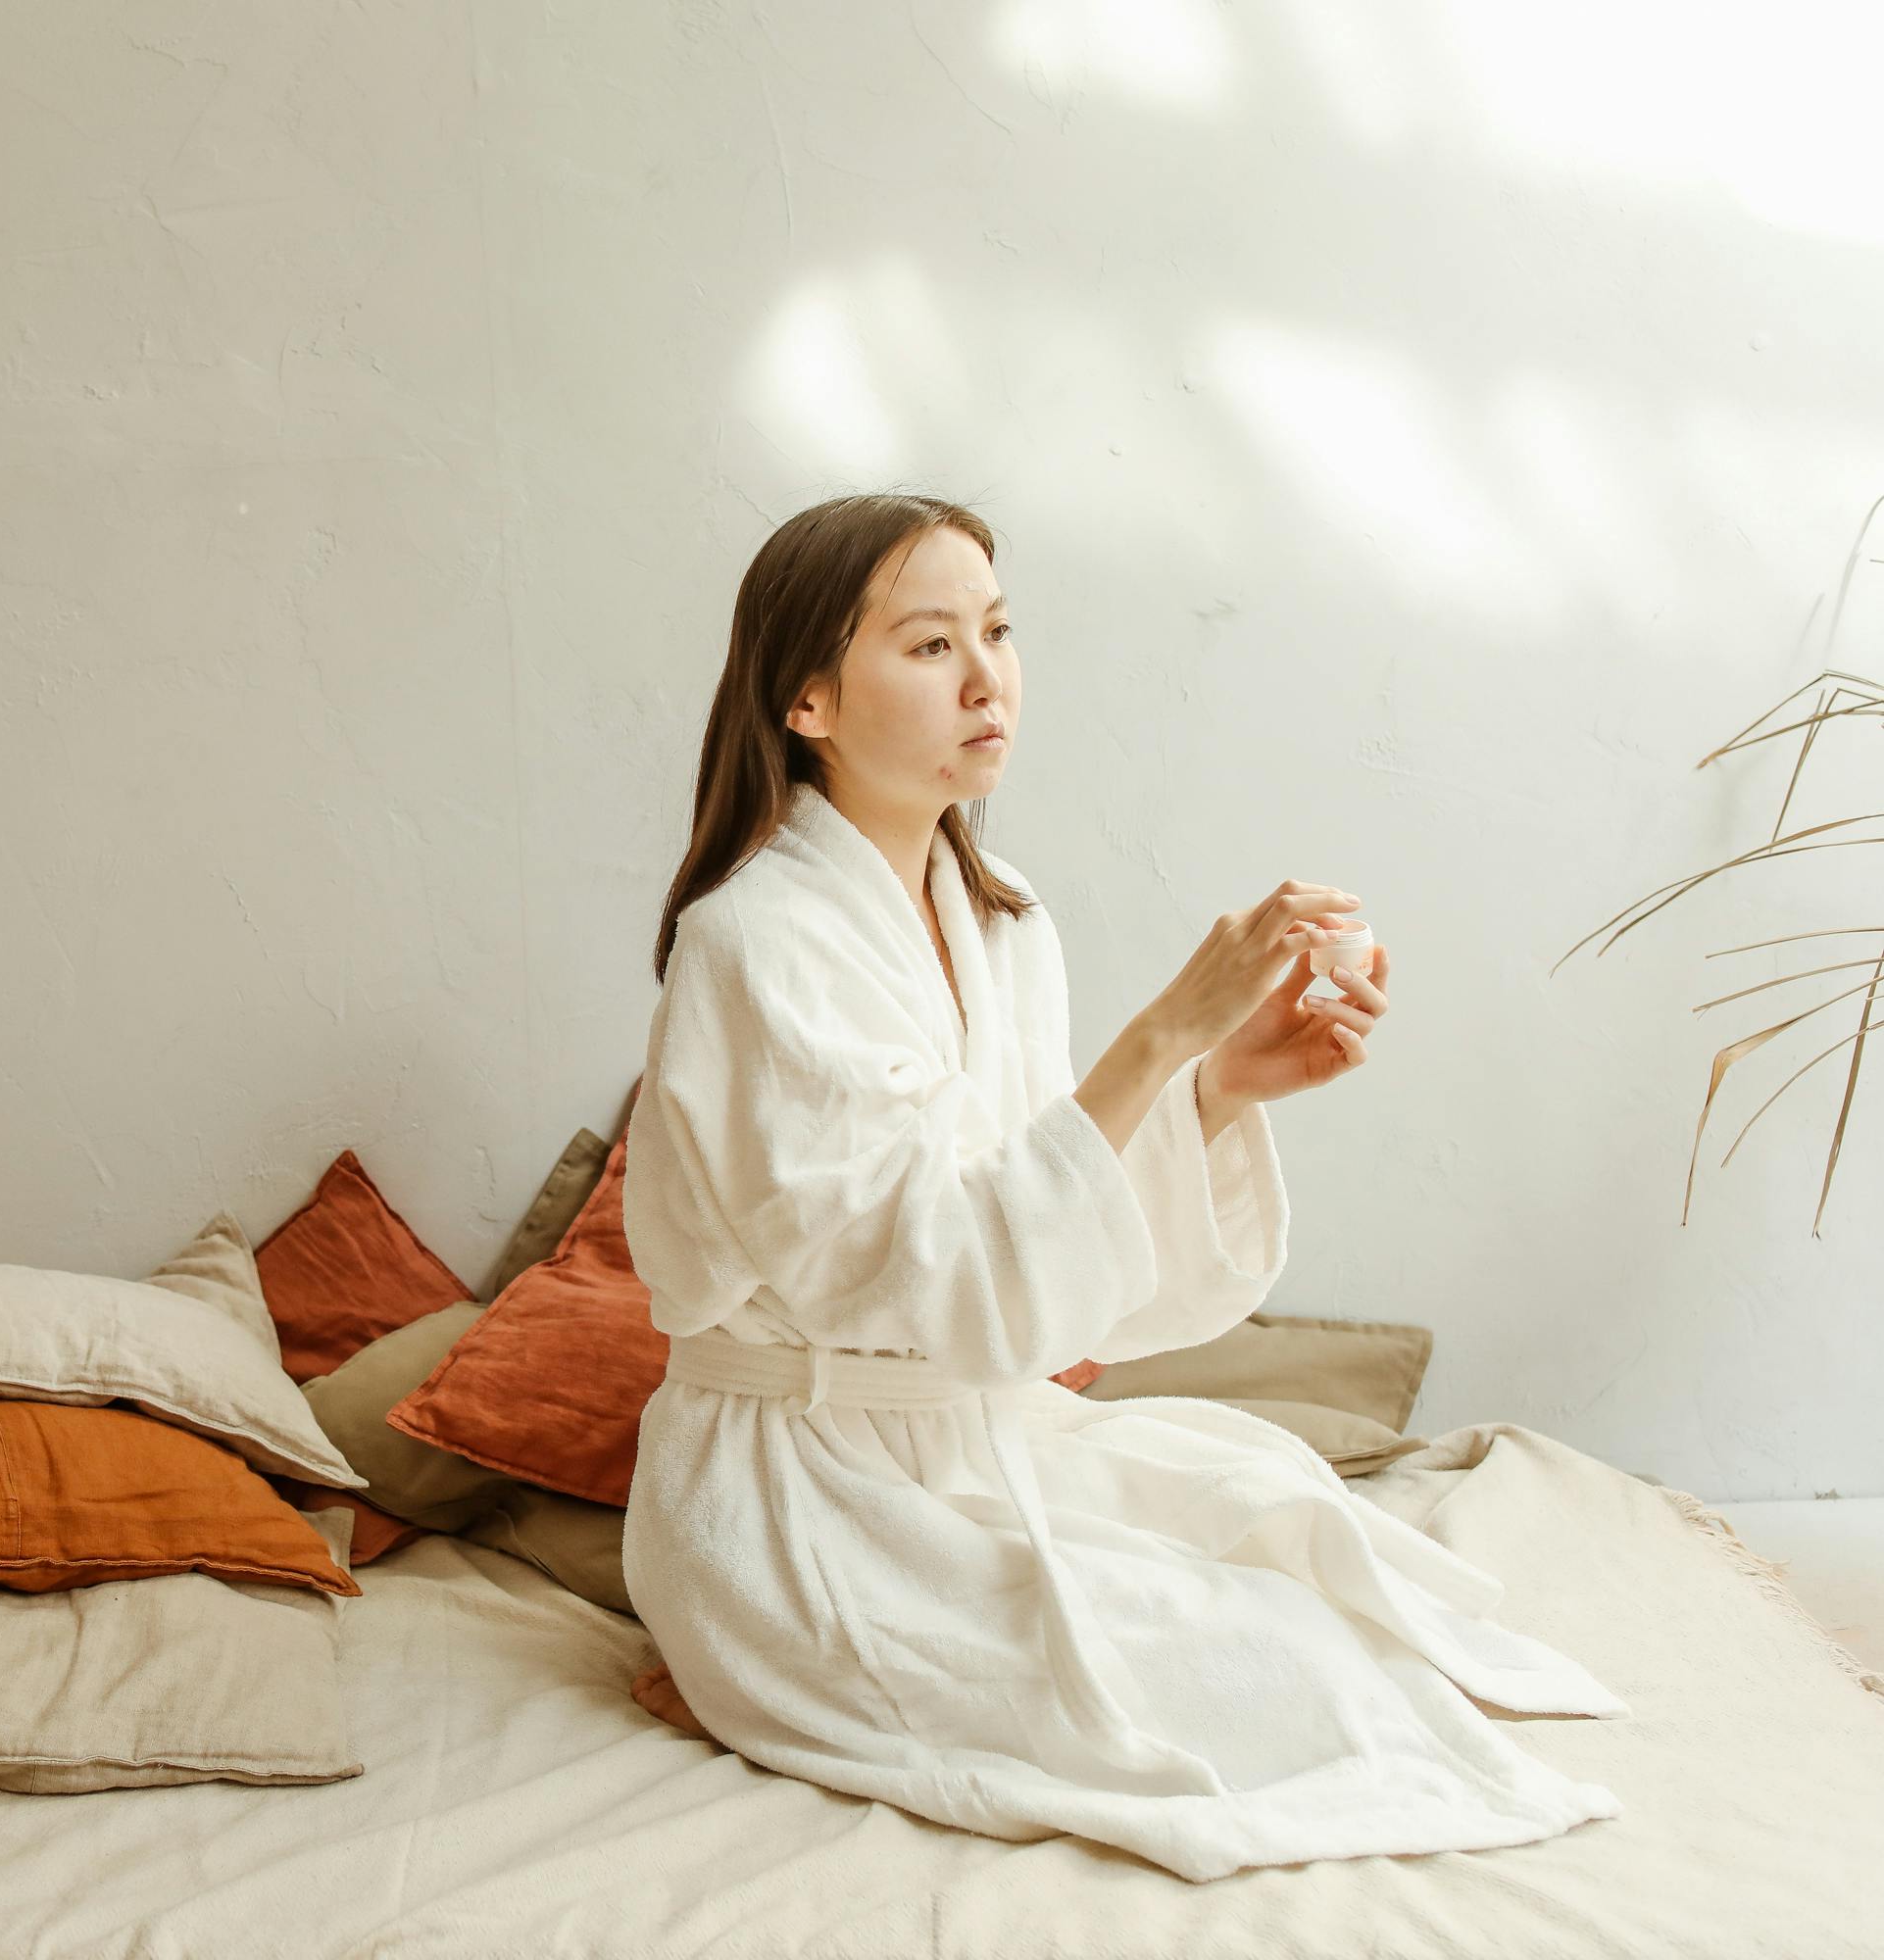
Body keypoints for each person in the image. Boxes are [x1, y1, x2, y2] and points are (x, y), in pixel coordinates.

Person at [616, 491, 1627, 1884]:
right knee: (1242, 1678)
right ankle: (743, 1650)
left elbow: (1043, 1256)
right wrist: (1163, 1039)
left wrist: (1219, 1089)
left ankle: (780, 1672)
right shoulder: (754, 945)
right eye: (928, 646)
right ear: (807, 697)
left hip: (964, 1437)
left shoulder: (1001, 917)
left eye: (999, 631)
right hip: (800, 1493)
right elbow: (940, 1280)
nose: (987, 678)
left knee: (1282, 1537)